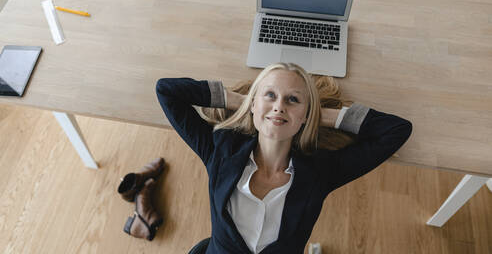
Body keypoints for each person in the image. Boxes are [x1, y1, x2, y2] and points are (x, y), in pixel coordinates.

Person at [155, 62, 412, 254]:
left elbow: (396, 130)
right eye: (270, 95)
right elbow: (167, 91)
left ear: (306, 115)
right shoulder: (221, 152)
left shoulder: (321, 172)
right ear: (255, 103)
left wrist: (322, 116)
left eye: (293, 99)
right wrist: (243, 101)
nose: (279, 106)